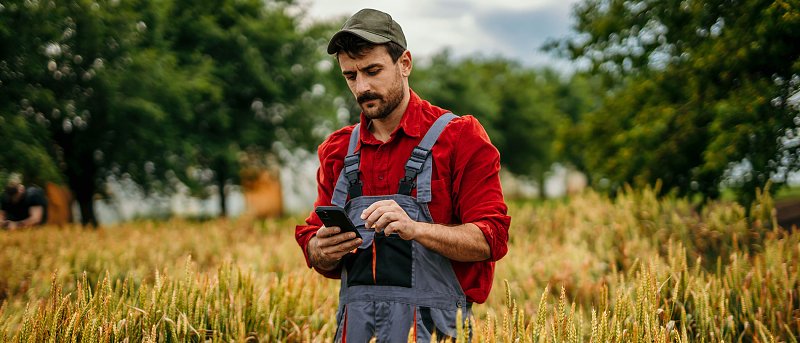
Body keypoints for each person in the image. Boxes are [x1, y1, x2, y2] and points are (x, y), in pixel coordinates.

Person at [295, 8, 511, 342]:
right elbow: (316, 246)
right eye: (350, 76)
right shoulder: (337, 151)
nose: (362, 87)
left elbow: (490, 238)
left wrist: (415, 229)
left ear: (405, 63)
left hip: (435, 333)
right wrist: (319, 250)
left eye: (373, 71)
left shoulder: (459, 137)